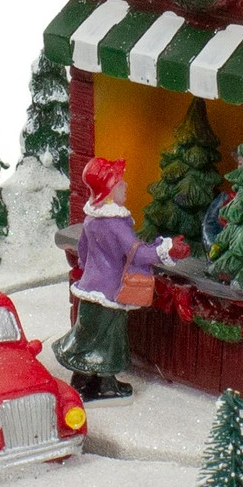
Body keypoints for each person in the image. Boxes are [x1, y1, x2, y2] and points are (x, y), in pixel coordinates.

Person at [53, 157, 188, 402]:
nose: (125, 186)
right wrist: (166, 249)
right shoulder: (116, 225)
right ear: (109, 191)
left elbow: (83, 251)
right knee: (110, 337)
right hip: (111, 290)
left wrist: (91, 271)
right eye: (120, 183)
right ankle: (105, 385)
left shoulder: (91, 219)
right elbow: (138, 253)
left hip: (91, 287)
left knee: (89, 333)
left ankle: (82, 380)